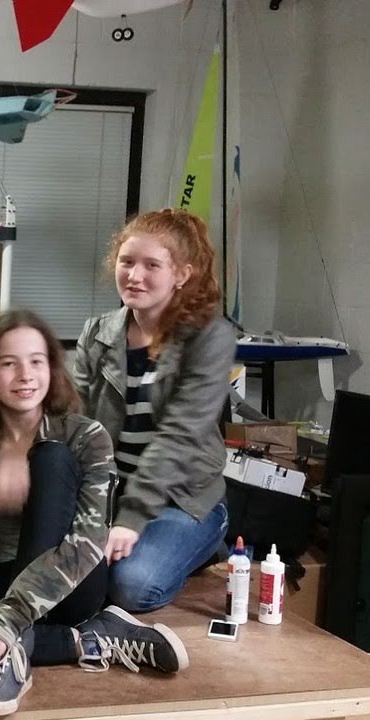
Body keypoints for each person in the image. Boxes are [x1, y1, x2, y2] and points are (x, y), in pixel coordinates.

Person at [0, 310, 189, 718]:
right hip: (0, 579)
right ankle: (90, 641)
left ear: (52, 369)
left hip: (72, 581)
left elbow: (89, 545)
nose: (25, 375)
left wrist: (8, 618)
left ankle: (10, 652)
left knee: (52, 459)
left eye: (36, 361)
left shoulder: (85, 436)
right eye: (9, 363)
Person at [73, 208, 235, 613]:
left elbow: (180, 436)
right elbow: (72, 422)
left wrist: (130, 519)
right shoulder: (97, 333)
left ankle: (207, 541)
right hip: (111, 494)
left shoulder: (210, 337)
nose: (135, 276)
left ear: (181, 274)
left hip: (181, 499)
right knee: (74, 583)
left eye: (152, 265)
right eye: (127, 262)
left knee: (131, 588)